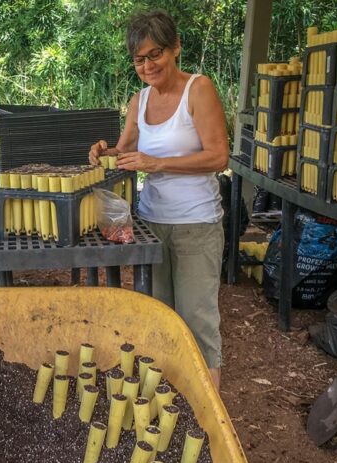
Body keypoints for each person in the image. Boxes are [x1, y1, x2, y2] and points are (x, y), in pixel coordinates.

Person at [89, 9, 229, 390]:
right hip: (151, 224)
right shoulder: (140, 100)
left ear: (176, 48)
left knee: (197, 319)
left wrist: (159, 163)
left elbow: (219, 157)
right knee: (158, 316)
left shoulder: (198, 89)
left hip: (196, 224)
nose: (148, 65)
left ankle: (206, 415)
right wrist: (104, 151)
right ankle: (165, 402)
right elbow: (125, 150)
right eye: (139, 59)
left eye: (155, 54)